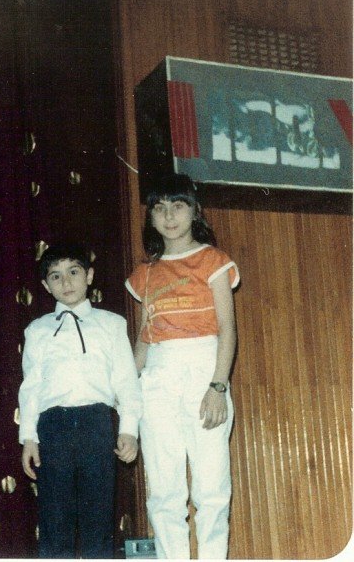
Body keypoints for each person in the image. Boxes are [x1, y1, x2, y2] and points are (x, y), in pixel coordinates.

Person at [125, 174, 240, 559]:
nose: (169, 216)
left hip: (204, 369)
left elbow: (227, 328)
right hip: (158, 377)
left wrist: (218, 386)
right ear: (151, 217)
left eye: (178, 206)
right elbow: (145, 337)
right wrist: (125, 391)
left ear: (194, 211)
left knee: (211, 488)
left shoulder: (213, 260)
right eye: (159, 208)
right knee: (164, 490)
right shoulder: (146, 272)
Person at [19, 242, 142, 559]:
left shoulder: (112, 324)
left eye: (73, 272)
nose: (66, 282)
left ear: (89, 276)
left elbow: (126, 381)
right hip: (52, 428)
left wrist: (129, 430)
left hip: (96, 424)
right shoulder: (37, 330)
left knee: (98, 518)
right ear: (46, 285)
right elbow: (30, 387)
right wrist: (29, 437)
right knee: (54, 518)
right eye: (56, 276)